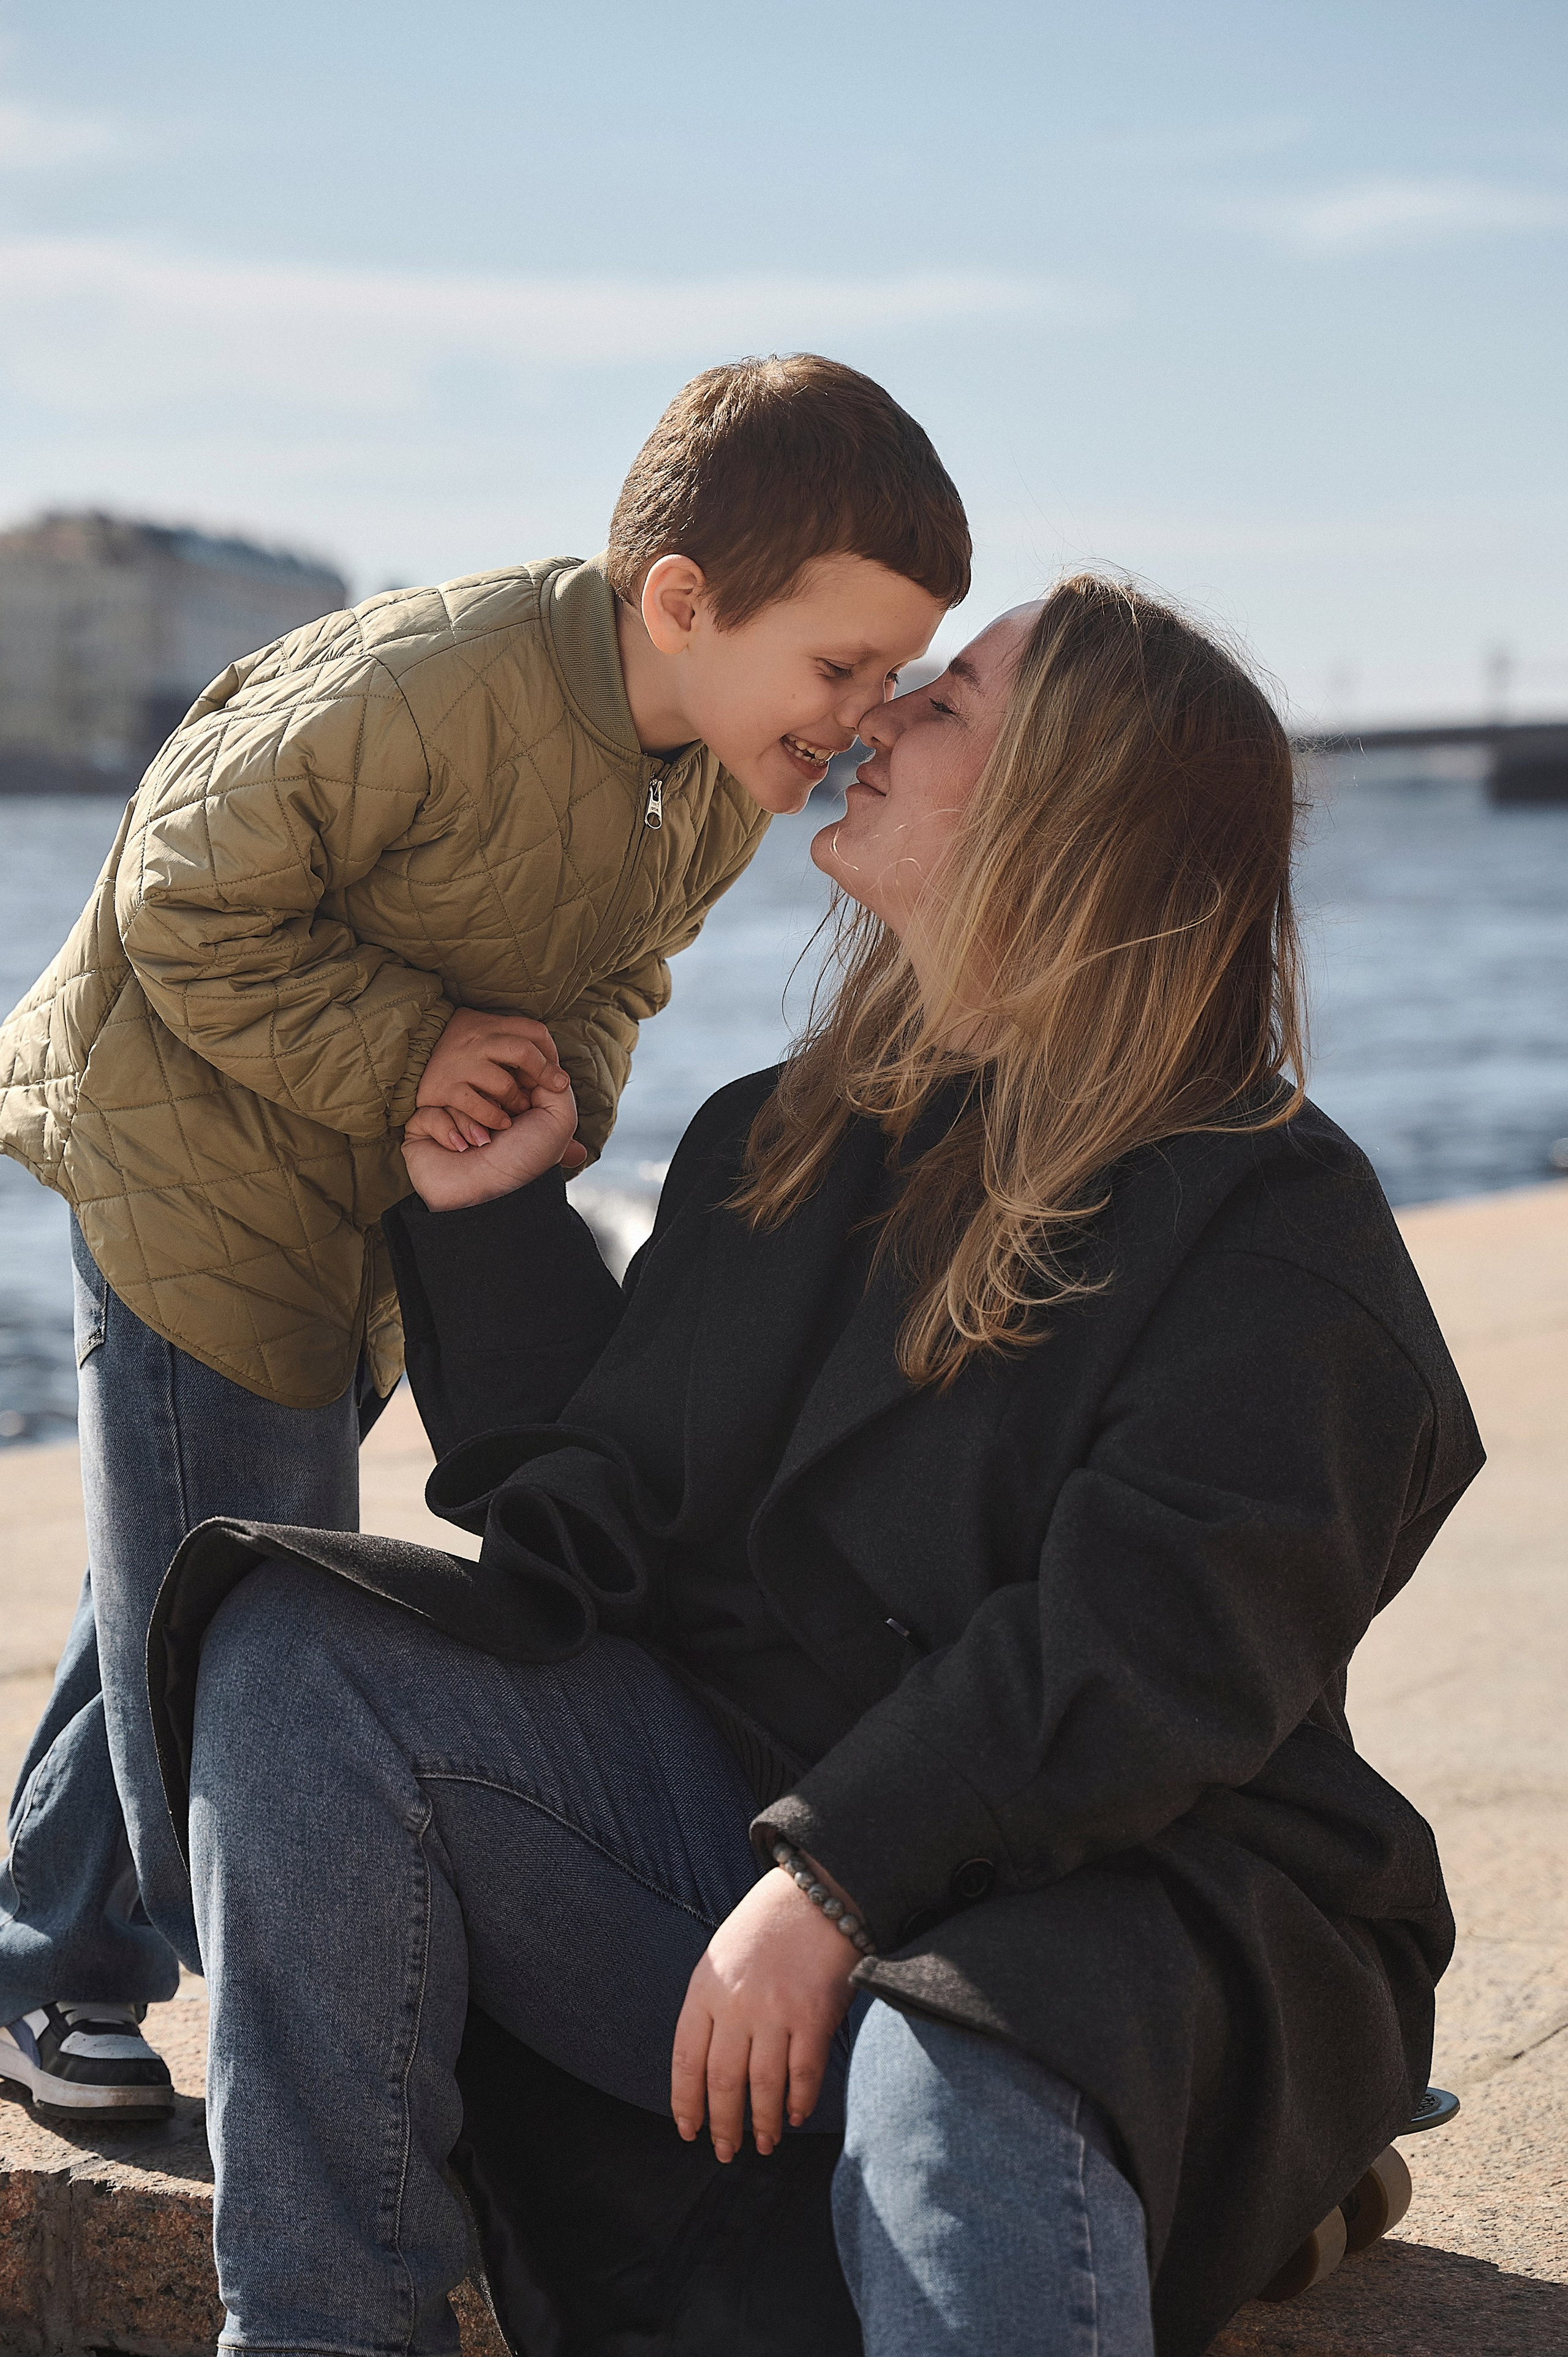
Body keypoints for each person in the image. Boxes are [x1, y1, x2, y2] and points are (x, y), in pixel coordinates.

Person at [154, 579, 1480, 2355]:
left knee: (970, 2044)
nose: (876, 715)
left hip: (1143, 1896)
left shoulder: (1275, 1222)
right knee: (296, 1653)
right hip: (752, 1845)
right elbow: (605, 1543)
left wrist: (838, 1878)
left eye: (946, 705)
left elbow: (1149, 1654)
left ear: (1064, 819)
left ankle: (1229, 2163)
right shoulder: (777, 1138)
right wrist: (494, 1228)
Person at [0, 355, 967, 2121]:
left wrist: (558, 1088)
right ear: (683, 603)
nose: (862, 715)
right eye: (842, 667)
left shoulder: (708, 784)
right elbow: (178, 894)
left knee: (170, 1560)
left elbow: (609, 975)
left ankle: (32, 1949)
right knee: (237, 1585)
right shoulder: (433, 686)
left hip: (353, 1184)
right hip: (191, 1161)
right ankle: (150, 1982)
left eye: (895, 676)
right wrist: (413, 1054)